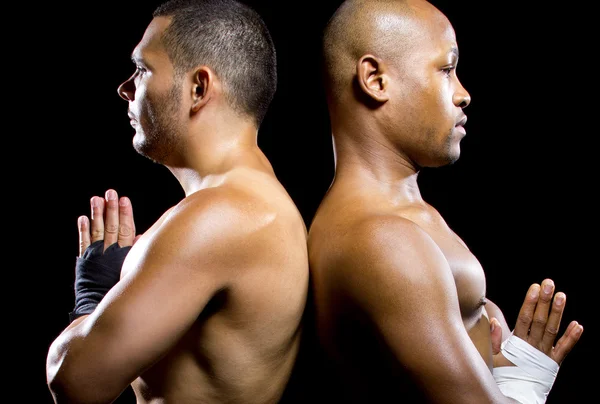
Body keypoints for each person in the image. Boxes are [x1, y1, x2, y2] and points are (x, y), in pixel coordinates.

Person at [306, 0, 584, 402]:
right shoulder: (382, 240)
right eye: (447, 69)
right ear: (375, 79)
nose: (463, 94)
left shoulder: (405, 218)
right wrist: (526, 385)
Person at [45, 1, 310, 403]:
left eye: (143, 69)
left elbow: (73, 380)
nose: (125, 88)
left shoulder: (222, 216)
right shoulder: (249, 204)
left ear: (198, 88)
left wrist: (91, 300)